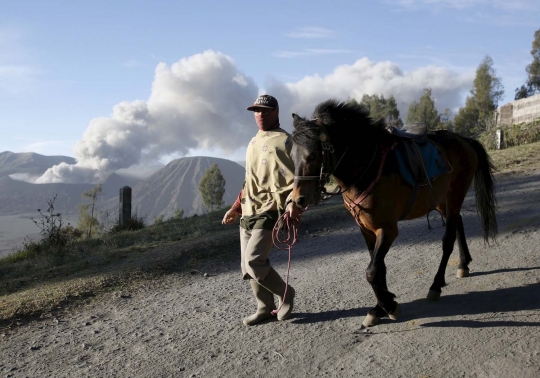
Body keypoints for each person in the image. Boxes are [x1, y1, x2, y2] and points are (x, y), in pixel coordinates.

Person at [222, 94, 302, 326]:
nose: (260, 114)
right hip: (249, 208)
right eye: (256, 111)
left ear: (276, 112)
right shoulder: (253, 141)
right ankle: (265, 307)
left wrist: (293, 206)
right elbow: (250, 180)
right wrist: (236, 208)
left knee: (254, 260)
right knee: (246, 266)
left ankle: (286, 294)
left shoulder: (288, 141)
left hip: (273, 209)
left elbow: (298, 179)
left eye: (265, 110)